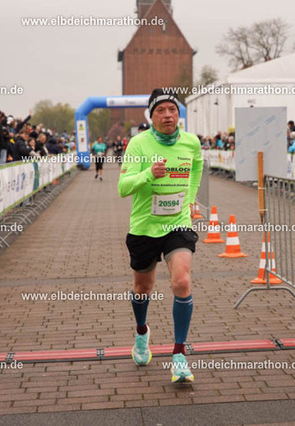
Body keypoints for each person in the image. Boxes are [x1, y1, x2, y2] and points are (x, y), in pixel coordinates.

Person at [118, 88, 203, 383]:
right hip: (145, 227)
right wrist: (148, 175)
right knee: (143, 288)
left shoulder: (191, 142)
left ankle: (179, 355)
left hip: (178, 224)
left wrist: (190, 198)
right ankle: (142, 332)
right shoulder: (138, 144)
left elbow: (197, 166)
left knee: (182, 282)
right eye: (161, 110)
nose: (168, 115)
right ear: (151, 116)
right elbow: (123, 187)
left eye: (172, 110)